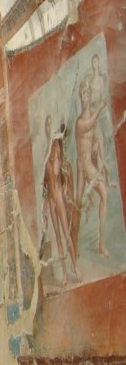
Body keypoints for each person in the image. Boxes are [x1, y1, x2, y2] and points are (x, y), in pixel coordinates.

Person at [75, 82, 112, 257]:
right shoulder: (80, 122)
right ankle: (74, 247)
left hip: (88, 164)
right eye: (82, 95)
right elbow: (88, 125)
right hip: (81, 165)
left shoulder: (92, 119)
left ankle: (101, 244)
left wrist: (97, 145)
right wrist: (100, 108)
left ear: (89, 96)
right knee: (77, 205)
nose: (84, 98)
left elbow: (97, 136)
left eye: (86, 94)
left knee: (104, 195)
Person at [40, 115, 79, 283]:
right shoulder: (46, 153)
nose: (49, 128)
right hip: (50, 199)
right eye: (47, 125)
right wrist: (45, 208)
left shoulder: (57, 147)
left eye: (50, 124)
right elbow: (44, 184)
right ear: (45, 130)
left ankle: (76, 268)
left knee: (66, 232)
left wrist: (65, 185)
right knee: (57, 236)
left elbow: (63, 168)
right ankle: (64, 273)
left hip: (59, 197)